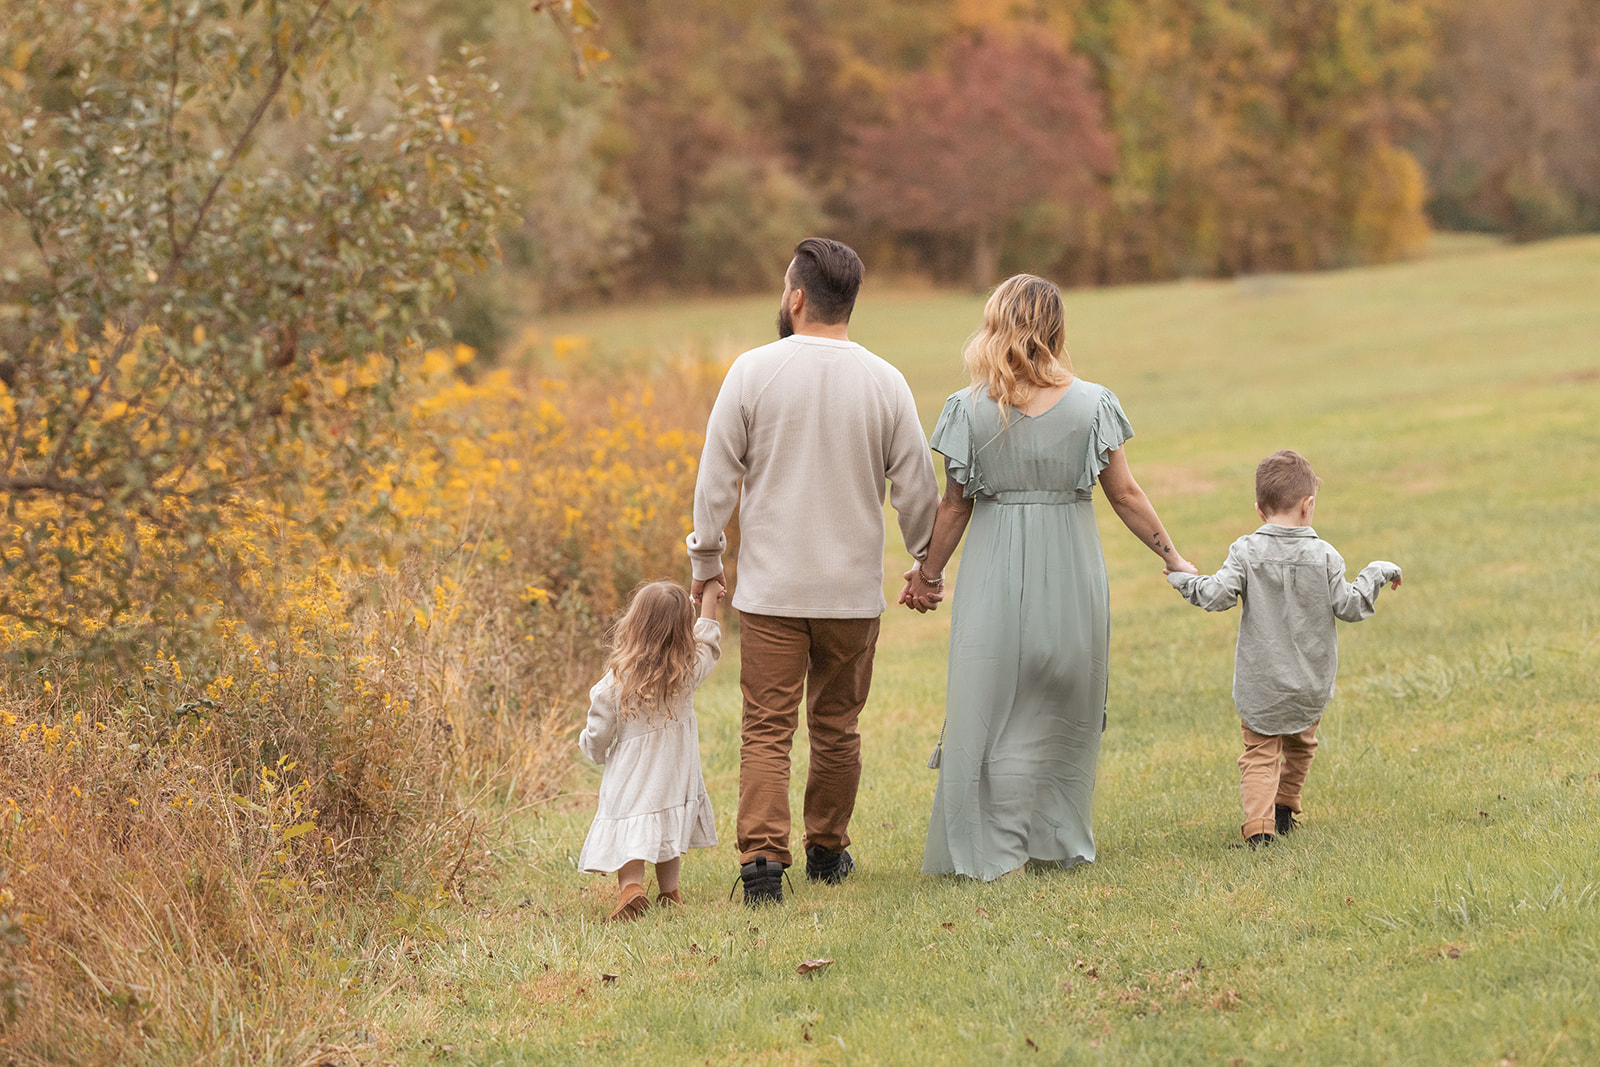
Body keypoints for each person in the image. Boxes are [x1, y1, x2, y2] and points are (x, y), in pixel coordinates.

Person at [904, 273, 1196, 882]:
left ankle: (984, 847)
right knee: (1063, 698)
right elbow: (1126, 494)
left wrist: (926, 575)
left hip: (992, 566)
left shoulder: (967, 409)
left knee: (987, 700)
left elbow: (954, 506)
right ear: (1057, 328)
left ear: (996, 326)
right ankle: (1056, 839)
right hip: (1071, 564)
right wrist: (1172, 556)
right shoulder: (1094, 404)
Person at [687, 237, 939, 905]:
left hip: (771, 592)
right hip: (851, 596)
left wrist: (707, 561)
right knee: (837, 724)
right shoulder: (885, 381)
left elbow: (715, 479)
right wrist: (923, 560)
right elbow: (917, 484)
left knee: (767, 725)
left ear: (796, 298)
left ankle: (763, 863)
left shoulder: (751, 371)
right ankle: (827, 848)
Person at [1165, 449, 1402, 846]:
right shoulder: (1325, 555)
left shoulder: (1245, 552)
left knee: (1259, 753)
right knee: (1301, 744)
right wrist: (1377, 571)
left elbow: (1217, 596)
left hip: (1262, 683)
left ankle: (1259, 830)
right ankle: (1286, 807)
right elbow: (1351, 606)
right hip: (1310, 682)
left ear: (1259, 510)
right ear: (1308, 506)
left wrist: (1181, 577)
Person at [577, 579, 726, 921]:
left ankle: (631, 888)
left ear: (634, 623)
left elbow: (598, 732)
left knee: (633, 823)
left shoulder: (615, 681)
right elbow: (709, 642)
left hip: (631, 774)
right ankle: (669, 892)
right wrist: (708, 602)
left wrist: (592, 749)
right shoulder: (686, 672)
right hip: (675, 774)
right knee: (667, 823)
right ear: (682, 630)